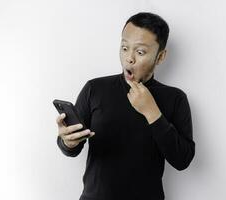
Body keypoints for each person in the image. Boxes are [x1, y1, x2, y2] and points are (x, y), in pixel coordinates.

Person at [56, 12, 195, 200]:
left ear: (160, 56)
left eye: (140, 52)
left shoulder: (175, 98)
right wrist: (67, 142)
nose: (129, 58)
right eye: (124, 47)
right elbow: (72, 147)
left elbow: (182, 160)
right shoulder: (95, 89)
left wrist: (151, 111)